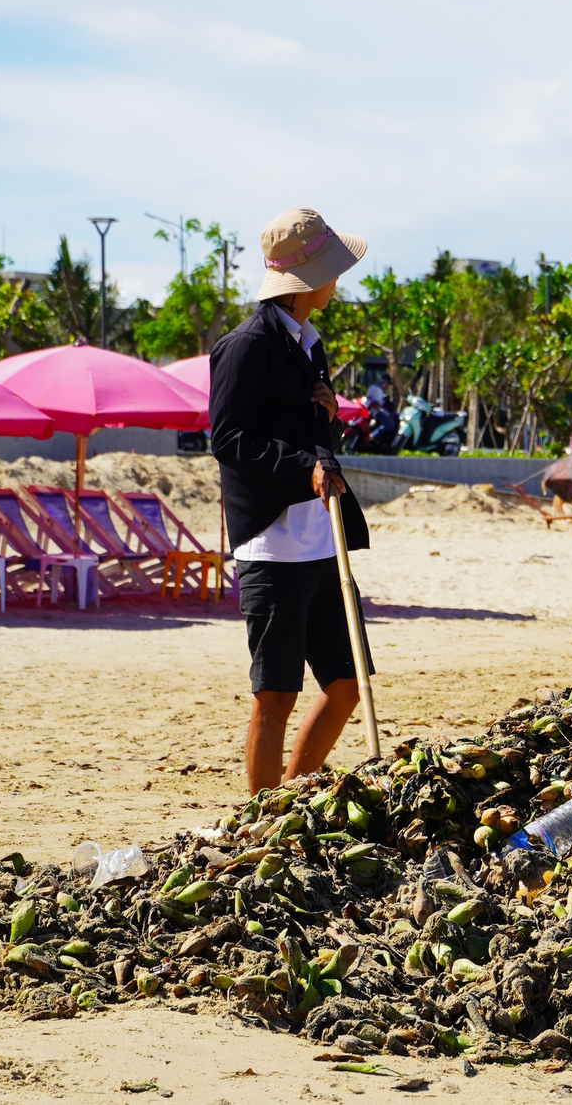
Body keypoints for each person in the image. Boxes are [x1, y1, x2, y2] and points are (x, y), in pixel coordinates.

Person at [210, 209, 373, 794]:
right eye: (331, 272)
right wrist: (303, 464)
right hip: (271, 543)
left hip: (320, 538)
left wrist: (324, 420)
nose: (337, 282)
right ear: (307, 279)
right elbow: (227, 439)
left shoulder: (310, 343)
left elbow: (306, 439)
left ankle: (293, 793)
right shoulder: (245, 345)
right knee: (275, 694)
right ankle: (259, 820)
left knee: (348, 684)